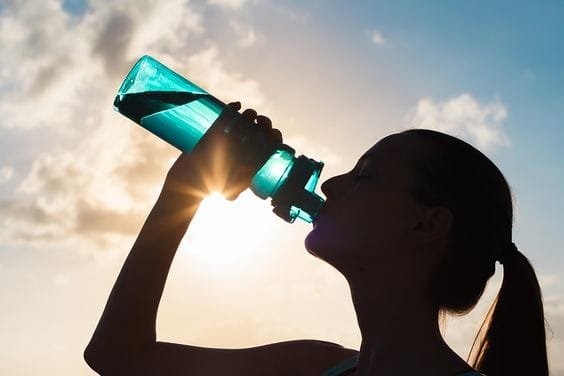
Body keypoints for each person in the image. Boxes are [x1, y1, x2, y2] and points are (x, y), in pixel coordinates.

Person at [84, 103, 548, 375]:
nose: (329, 185)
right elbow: (118, 357)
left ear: (426, 225)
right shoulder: (312, 366)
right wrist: (181, 194)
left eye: (364, 177)